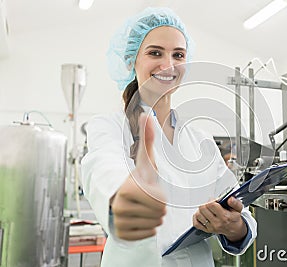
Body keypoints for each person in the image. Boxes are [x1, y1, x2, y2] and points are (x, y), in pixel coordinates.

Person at [81, 7, 257, 267]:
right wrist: (127, 198)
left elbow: (237, 206)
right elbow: (103, 170)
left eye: (178, 55)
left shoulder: (200, 139)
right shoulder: (108, 127)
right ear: (131, 61)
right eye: (155, 53)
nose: (168, 65)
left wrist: (234, 226)